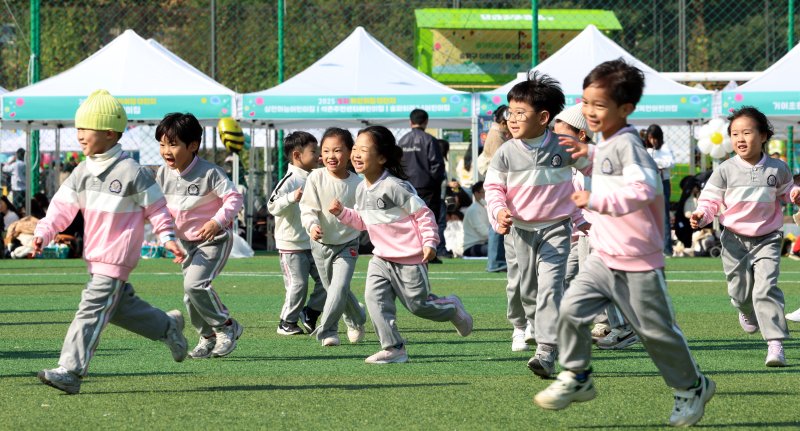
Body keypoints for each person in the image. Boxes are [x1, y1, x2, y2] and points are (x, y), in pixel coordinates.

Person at [535, 60, 714, 428]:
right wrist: (591, 158)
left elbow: (643, 188)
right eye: (586, 102)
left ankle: (692, 387)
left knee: (656, 333)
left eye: (598, 105)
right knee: (571, 309)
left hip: (637, 260)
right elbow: (612, 168)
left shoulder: (629, 146)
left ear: (626, 109)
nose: (589, 111)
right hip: (603, 254)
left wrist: (597, 200)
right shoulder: (609, 145)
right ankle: (578, 376)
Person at [32, 90, 187, 394]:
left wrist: (167, 237)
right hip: (96, 257)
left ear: (108, 132)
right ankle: (168, 328)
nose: (79, 135)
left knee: (90, 309)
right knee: (118, 308)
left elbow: (157, 209)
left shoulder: (132, 172)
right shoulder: (81, 171)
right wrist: (44, 231)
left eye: (84, 128)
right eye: (77, 128)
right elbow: (61, 207)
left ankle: (71, 371)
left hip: (116, 257)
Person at [331, 125, 473, 364]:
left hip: (410, 258)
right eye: (354, 148)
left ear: (382, 157)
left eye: (363, 150)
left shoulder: (395, 186)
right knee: (374, 301)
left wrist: (429, 242)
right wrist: (342, 213)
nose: (355, 154)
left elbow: (424, 214)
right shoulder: (361, 189)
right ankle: (393, 348)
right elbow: (364, 222)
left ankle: (451, 307)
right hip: (381, 258)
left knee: (418, 306)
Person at [484, 71, 591, 379]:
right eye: (510, 112)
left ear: (543, 117)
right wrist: (499, 212)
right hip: (519, 231)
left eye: (520, 113)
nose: (512, 119)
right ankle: (528, 326)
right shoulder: (505, 152)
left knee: (549, 288)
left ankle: (546, 350)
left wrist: (590, 213)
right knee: (526, 291)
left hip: (556, 229)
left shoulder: (563, 146)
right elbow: (493, 188)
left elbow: (595, 167)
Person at [690, 106, 798, 367]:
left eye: (747, 132)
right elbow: (710, 201)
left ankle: (775, 344)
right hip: (733, 239)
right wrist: (701, 216)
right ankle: (745, 310)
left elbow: (788, 192)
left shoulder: (777, 168)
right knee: (739, 292)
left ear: (763, 136)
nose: (740, 138)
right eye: (735, 133)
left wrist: (795, 194)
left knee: (766, 289)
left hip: (768, 238)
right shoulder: (725, 169)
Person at [155, 113, 244, 359]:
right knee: (190, 296)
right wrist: (166, 237)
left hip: (213, 240)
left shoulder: (210, 173)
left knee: (195, 285)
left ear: (193, 145)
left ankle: (227, 327)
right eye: (162, 144)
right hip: (185, 244)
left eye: (172, 144)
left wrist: (217, 221)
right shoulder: (163, 174)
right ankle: (207, 337)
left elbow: (234, 198)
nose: (166, 151)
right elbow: (159, 208)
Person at [300, 127, 368, 347]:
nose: (331, 156)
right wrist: (312, 226)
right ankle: (356, 319)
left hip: (348, 244)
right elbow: (307, 207)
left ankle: (328, 331)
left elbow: (363, 216)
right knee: (335, 291)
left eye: (337, 150)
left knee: (338, 288)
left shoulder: (358, 184)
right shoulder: (316, 177)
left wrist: (346, 214)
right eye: (326, 151)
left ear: (349, 152)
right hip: (320, 245)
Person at [267, 131, 326, 335]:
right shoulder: (291, 179)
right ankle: (286, 322)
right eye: (314, 151)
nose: (319, 156)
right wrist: (292, 197)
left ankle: (310, 312)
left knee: (328, 282)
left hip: (313, 242)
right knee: (298, 285)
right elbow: (272, 205)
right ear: (297, 155)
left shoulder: (316, 177)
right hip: (291, 245)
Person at [398, 109, 446, 253]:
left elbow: (397, 165)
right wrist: (435, 183)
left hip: (406, 187)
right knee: (429, 220)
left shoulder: (402, 140)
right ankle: (429, 250)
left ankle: (410, 250)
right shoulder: (429, 140)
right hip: (427, 188)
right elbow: (437, 165)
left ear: (410, 122)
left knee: (409, 220)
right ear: (426, 122)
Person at [479, 105, 512, 273]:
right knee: (498, 220)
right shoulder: (497, 135)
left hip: (495, 180)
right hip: (498, 182)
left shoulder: (498, 133)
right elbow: (500, 163)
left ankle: (496, 261)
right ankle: (496, 262)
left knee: (498, 220)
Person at [645, 124, 676, 256]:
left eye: (655, 138)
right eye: (651, 138)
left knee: (663, 216)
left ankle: (667, 249)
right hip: (648, 183)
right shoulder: (646, 150)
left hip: (663, 182)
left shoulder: (665, 148)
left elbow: (671, 163)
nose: (653, 141)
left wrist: (656, 164)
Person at [462, 181, 490, 257]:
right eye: (484, 192)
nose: (487, 195)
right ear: (476, 194)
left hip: (483, 244)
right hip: (472, 247)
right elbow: (484, 232)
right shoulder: (473, 210)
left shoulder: (484, 207)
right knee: (497, 249)